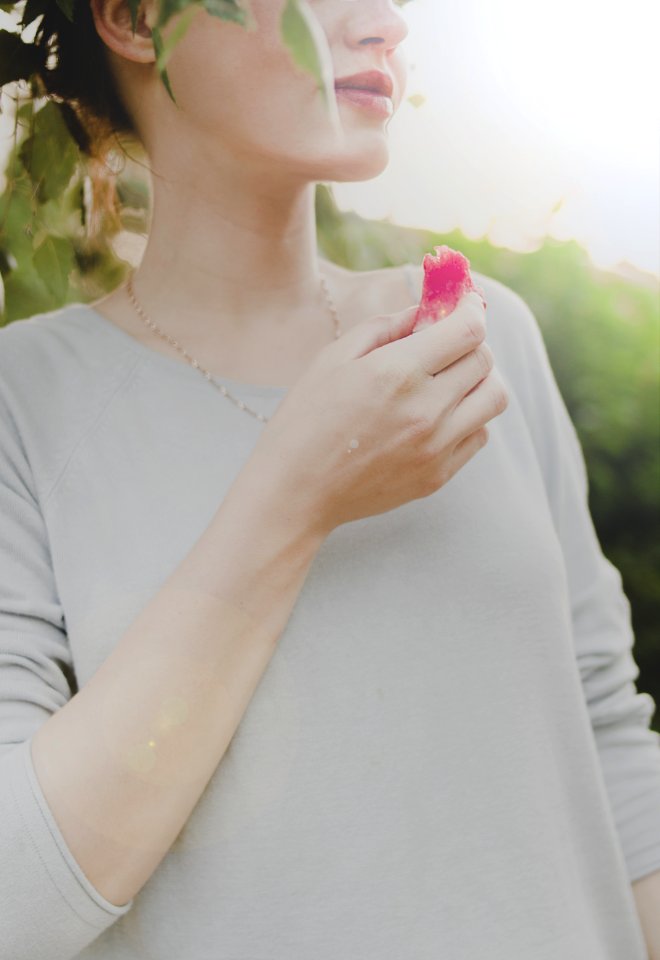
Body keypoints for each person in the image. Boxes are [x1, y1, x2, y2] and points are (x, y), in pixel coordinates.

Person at [1, 1, 659, 958]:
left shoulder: (479, 333)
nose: (385, 22)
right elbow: (20, 898)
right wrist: (292, 498)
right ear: (136, 18)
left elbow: (607, 743)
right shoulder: (25, 403)